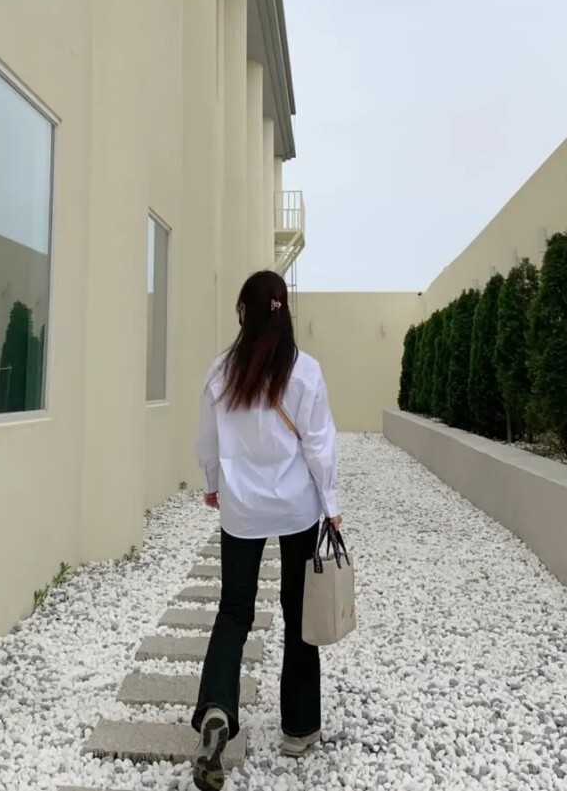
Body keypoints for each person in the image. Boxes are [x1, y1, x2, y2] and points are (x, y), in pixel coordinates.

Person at [190, 269, 341, 791]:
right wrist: (331, 502)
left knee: (234, 609)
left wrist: (213, 482)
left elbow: (207, 439)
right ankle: (299, 728)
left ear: (243, 314)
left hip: (242, 507)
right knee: (298, 610)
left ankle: (217, 708)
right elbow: (319, 443)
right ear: (284, 312)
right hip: (296, 506)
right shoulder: (306, 371)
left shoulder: (220, 371)